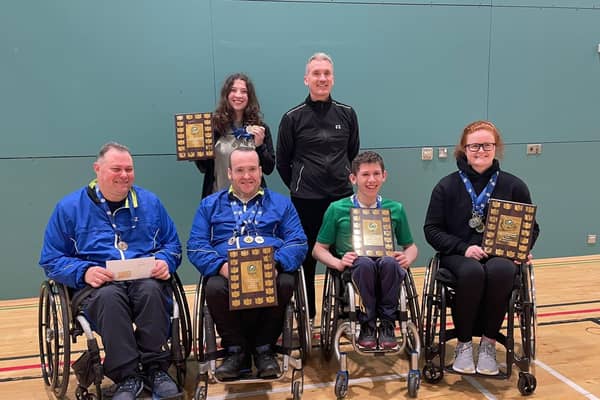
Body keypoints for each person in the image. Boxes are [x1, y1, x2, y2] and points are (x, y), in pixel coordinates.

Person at [39, 142, 183, 400]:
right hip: (96, 286)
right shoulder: (69, 208)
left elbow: (172, 243)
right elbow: (51, 259)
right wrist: (83, 272)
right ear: (97, 169)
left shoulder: (150, 202)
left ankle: (154, 368)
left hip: (144, 279)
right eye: (116, 168)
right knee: (110, 298)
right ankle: (127, 375)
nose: (124, 175)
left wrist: (165, 261)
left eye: (129, 169)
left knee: (152, 291)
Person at [423, 120, 540, 376]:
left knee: (501, 271)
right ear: (464, 149)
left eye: (487, 145)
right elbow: (432, 229)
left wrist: (522, 249)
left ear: (496, 148)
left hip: (500, 256)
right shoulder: (447, 186)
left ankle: (487, 344)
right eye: (474, 145)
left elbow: (531, 227)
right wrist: (463, 248)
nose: (480, 150)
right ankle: (464, 344)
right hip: (459, 256)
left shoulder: (514, 186)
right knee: (472, 272)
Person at [187, 147, 307, 380]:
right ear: (230, 173)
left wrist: (276, 264)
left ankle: (264, 349)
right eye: (240, 170)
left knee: (285, 281)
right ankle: (236, 351)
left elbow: (298, 241)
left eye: (252, 169)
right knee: (213, 287)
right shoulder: (209, 205)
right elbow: (196, 245)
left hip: (271, 269)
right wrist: (221, 267)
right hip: (227, 271)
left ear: (261, 172)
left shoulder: (281, 204)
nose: (247, 176)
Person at [276, 52, 360, 323]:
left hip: (341, 199)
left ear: (333, 79)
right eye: (316, 74)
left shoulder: (347, 114)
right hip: (305, 202)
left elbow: (352, 152)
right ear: (306, 79)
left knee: (345, 257)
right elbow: (282, 162)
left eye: (326, 74)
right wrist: (302, 185)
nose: (322, 78)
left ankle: (345, 314)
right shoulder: (292, 118)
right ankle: (309, 316)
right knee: (307, 261)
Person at [313, 151, 418, 349]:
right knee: (364, 263)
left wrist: (407, 257)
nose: (372, 180)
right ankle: (367, 323)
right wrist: (338, 262)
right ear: (353, 178)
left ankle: (387, 324)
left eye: (376, 174)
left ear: (384, 176)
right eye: (365, 175)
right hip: (356, 269)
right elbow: (318, 249)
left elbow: (410, 246)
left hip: (386, 267)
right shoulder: (337, 209)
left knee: (389, 262)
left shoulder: (395, 208)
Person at [195, 73, 275, 199]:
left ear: (249, 97)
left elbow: (269, 168)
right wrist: (197, 148)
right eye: (233, 90)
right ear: (226, 95)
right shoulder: (213, 128)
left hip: (253, 202)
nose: (238, 95)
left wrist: (259, 145)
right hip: (219, 201)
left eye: (243, 91)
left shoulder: (260, 128)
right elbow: (203, 168)